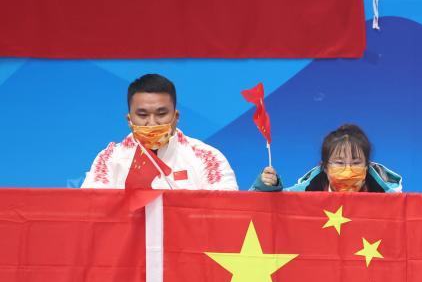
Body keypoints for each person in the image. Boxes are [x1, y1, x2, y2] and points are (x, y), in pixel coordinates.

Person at [82, 74, 238, 190]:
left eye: (161, 114)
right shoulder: (109, 159)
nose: (152, 123)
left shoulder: (207, 157)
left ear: (176, 117)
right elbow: (92, 208)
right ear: (129, 120)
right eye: (142, 115)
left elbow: (225, 208)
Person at [251, 124, 402, 193]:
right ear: (325, 167)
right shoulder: (306, 193)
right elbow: (258, 207)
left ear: (366, 167)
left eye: (356, 163)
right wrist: (266, 187)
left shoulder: (391, 200)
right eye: (339, 163)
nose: (348, 171)